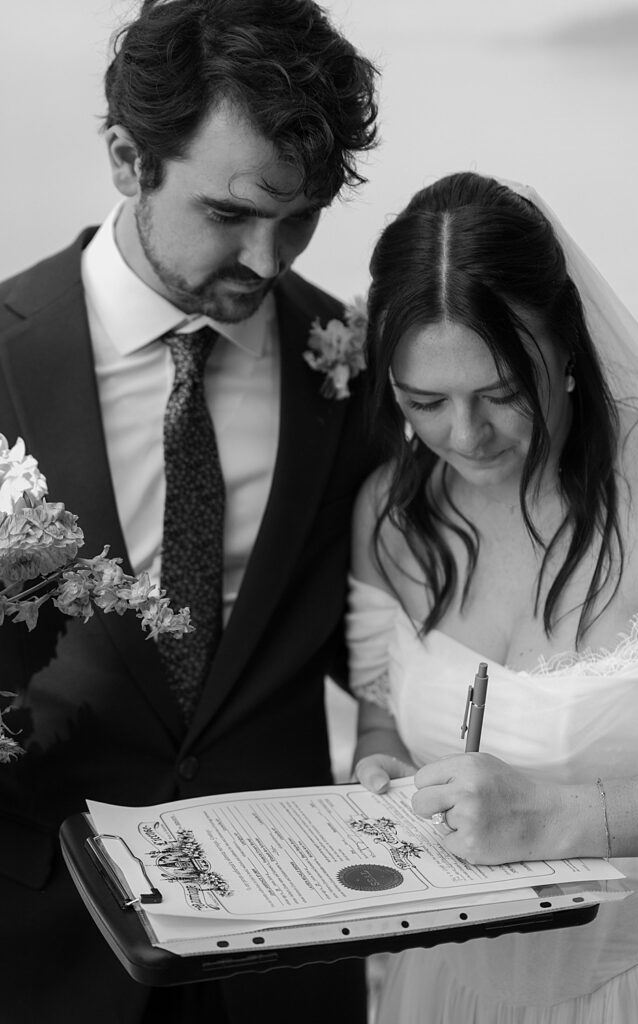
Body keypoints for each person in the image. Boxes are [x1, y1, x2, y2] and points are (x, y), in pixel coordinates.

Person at [0, 2, 380, 1021]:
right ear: (128, 159)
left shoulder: (345, 361)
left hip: (292, 953)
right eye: (229, 213)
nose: (268, 260)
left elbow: (385, 623)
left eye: (295, 217)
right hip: (43, 946)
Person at [350, 171, 638, 1022]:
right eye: (424, 401)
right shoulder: (391, 515)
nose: (465, 437)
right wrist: (381, 765)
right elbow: (382, 715)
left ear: (567, 347)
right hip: (443, 990)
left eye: (501, 391)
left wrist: (556, 817)